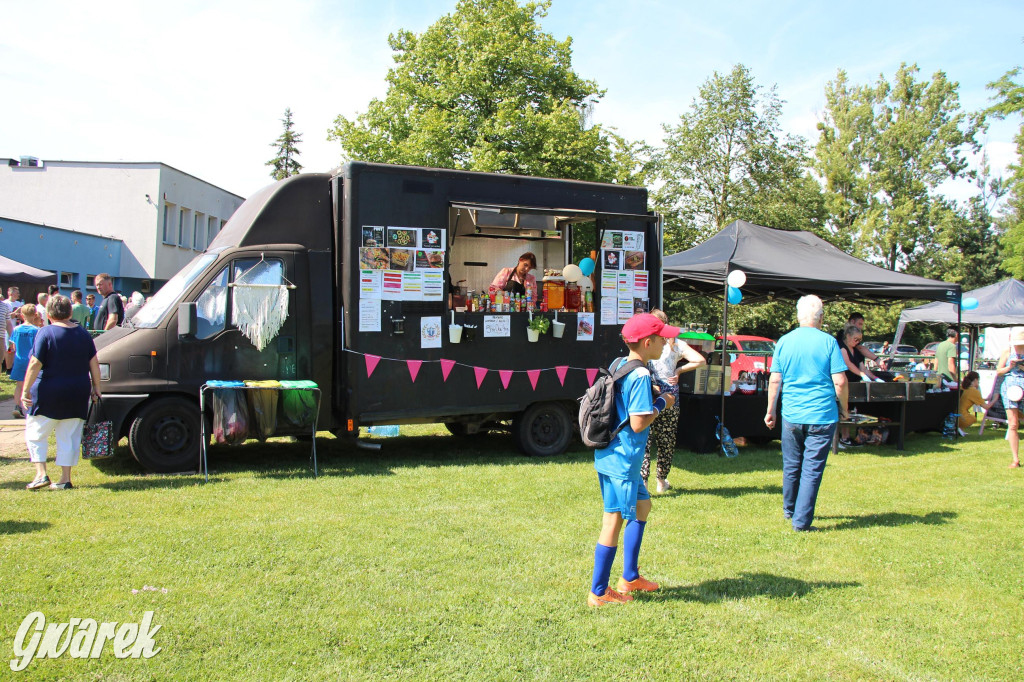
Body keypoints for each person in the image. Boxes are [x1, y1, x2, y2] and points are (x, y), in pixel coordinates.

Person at [588, 313, 678, 606]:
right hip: (623, 460)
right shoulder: (639, 374)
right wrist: (663, 401)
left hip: (611, 452)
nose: (666, 342)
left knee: (643, 506)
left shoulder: (620, 363)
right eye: (662, 338)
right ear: (648, 342)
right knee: (612, 521)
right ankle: (599, 592)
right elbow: (639, 422)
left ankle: (629, 577)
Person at [765, 295, 849, 532]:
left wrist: (770, 411)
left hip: (792, 414)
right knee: (811, 469)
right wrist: (844, 408)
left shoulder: (784, 341)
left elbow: (775, 380)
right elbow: (840, 382)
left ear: (798, 316)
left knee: (791, 465)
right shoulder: (829, 341)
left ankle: (790, 510)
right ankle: (801, 522)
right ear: (821, 317)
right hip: (822, 414)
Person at [21, 295, 102, 490]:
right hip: (77, 391)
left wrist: (25, 390)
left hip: (49, 391)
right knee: (69, 435)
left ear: (48, 314)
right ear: (70, 312)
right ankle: (65, 478)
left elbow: (35, 363)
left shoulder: (45, 332)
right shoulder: (83, 334)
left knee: (36, 433)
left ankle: (41, 474)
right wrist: (97, 388)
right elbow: (94, 363)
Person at [641, 309, 705, 493]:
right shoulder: (676, 343)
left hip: (650, 395)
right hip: (670, 398)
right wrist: (678, 371)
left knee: (645, 440)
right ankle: (661, 481)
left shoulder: (647, 342)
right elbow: (700, 360)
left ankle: (643, 482)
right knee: (666, 441)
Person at [837, 323, 881, 448]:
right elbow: (848, 364)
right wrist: (862, 374)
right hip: (843, 382)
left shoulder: (857, 351)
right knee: (842, 409)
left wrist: (875, 378)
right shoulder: (842, 347)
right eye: (855, 339)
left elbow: (863, 368)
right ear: (848, 336)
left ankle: (845, 437)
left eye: (859, 340)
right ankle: (839, 438)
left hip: (854, 385)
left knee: (849, 410)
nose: (857, 342)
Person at [995, 327, 1024, 469]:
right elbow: (999, 371)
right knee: (1013, 424)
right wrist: (1010, 367)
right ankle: (1015, 459)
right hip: (1010, 388)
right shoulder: (1008, 352)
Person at [9, 304, 43, 419]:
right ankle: (29, 408)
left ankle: (17, 406)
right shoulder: (36, 330)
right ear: (35, 315)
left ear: (22, 315)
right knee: (31, 385)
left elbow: (13, 347)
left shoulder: (16, 329)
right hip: (31, 361)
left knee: (19, 385)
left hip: (19, 360)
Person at [957, 371, 992, 435]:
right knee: (973, 418)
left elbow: (972, 398)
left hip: (953, 414)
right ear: (976, 380)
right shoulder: (974, 391)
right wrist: (995, 399)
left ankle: (959, 429)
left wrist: (987, 399)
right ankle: (959, 428)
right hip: (961, 417)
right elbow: (986, 407)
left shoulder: (962, 387)